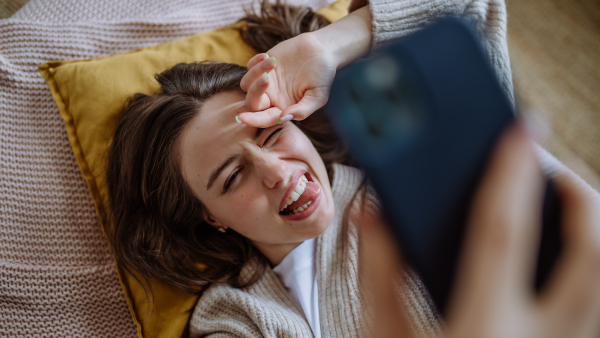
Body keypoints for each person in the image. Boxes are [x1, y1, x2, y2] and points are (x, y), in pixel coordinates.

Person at [105, 1, 600, 338]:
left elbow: (467, 13)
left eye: (272, 133)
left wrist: (328, 46)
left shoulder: (413, 164)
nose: (276, 172)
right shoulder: (238, 316)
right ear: (210, 216)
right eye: (232, 177)